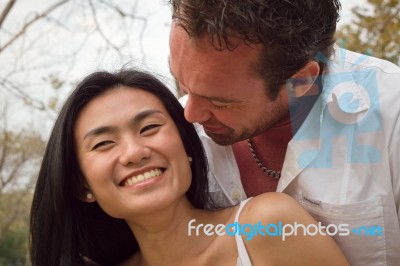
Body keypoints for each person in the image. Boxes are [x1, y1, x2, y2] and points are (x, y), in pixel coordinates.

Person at [30, 69, 348, 265]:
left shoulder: (267, 227)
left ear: (186, 146)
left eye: (149, 128)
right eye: (103, 144)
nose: (134, 152)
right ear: (82, 186)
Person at [168, 0, 400, 265]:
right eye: (183, 85)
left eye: (220, 102)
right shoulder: (170, 136)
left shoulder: (392, 116)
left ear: (302, 81)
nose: (190, 115)